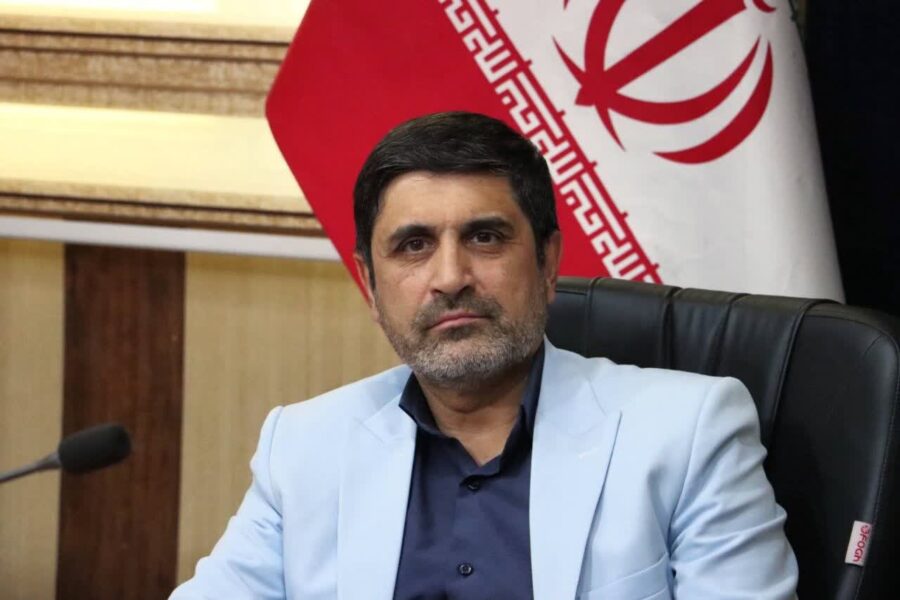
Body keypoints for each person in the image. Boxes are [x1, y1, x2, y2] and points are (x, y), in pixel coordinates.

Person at [171, 111, 798, 599]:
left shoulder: (687, 434)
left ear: (547, 263)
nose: (450, 277)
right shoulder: (304, 446)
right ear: (370, 285)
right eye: (414, 245)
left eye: (485, 237)